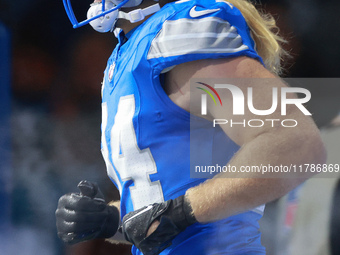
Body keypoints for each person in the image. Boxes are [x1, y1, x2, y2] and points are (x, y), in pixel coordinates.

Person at [56, 0, 326, 254]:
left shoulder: (179, 33)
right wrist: (113, 219)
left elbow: (297, 142)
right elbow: (173, 197)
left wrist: (184, 210)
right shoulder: (130, 51)